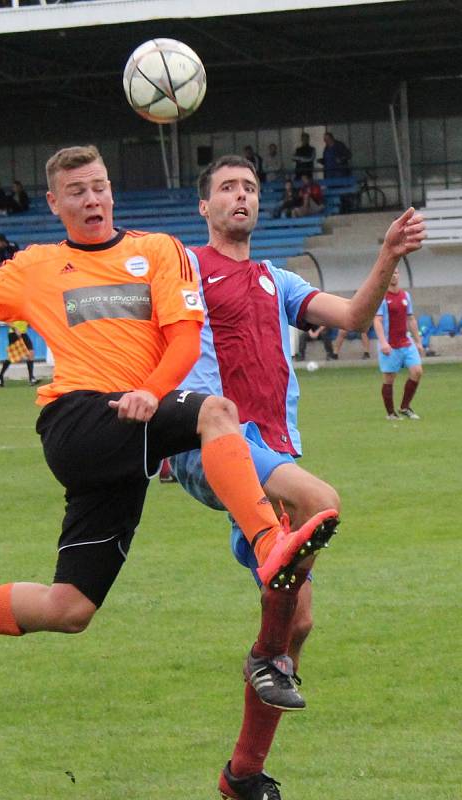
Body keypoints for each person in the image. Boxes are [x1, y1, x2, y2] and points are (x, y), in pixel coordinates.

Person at [0, 143, 338, 763]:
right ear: (54, 204)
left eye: (99, 187)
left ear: (111, 192)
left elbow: (183, 341)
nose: (92, 199)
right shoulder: (36, 267)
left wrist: (151, 393)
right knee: (215, 411)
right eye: (76, 192)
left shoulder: (160, 252)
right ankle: (269, 546)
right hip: (77, 419)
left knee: (70, 607)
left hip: (132, 428)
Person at [166, 155, 425, 800]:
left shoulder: (275, 280)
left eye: (250, 188)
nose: (241, 197)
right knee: (322, 500)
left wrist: (388, 253)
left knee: (298, 622)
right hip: (218, 441)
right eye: (227, 188)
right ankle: (265, 661)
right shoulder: (185, 269)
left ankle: (243, 773)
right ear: (205, 207)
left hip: (273, 452)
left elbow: (354, 318)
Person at [373, 266, 425, 420]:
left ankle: (404, 407)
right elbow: (377, 320)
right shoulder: (382, 297)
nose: (394, 276)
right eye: (391, 273)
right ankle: (390, 414)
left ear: (399, 275)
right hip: (390, 344)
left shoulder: (405, 296)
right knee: (389, 379)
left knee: (417, 371)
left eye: (396, 273)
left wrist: (418, 341)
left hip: (406, 343)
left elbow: (411, 318)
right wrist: (383, 343)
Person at [0, 320, 39, 386]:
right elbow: (7, 321)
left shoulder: (26, 311)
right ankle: (0, 376)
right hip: (13, 333)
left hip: (23, 333)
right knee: (12, 357)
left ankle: (31, 378)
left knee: (31, 353)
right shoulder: (14, 310)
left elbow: (26, 322)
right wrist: (15, 329)